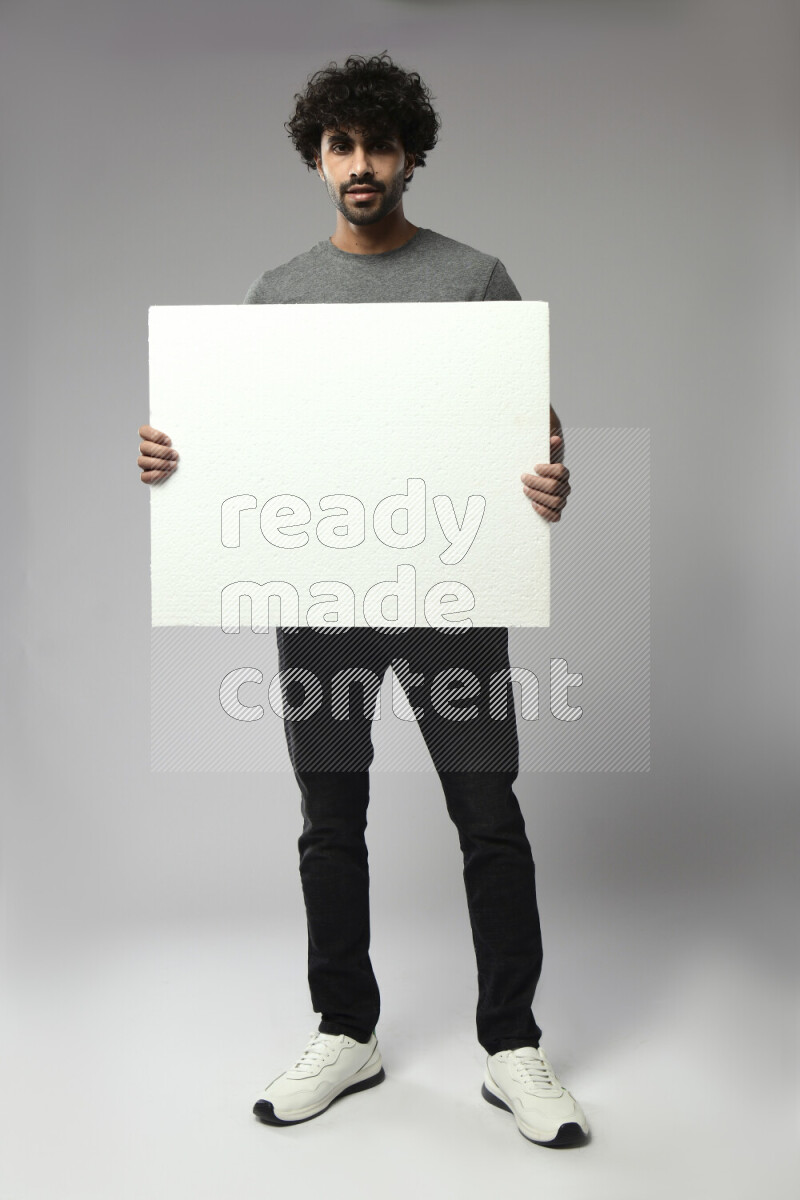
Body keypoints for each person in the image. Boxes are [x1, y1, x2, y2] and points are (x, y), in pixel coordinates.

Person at [137, 52, 586, 1149]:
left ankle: (511, 1046)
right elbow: (244, 448)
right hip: (321, 596)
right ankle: (348, 1029)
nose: (361, 164)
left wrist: (548, 478)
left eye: (380, 144)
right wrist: (174, 464)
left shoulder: (474, 277)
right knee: (329, 822)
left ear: (410, 154)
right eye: (341, 145)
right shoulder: (279, 294)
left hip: (450, 591)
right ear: (317, 157)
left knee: (489, 819)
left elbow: (531, 430)